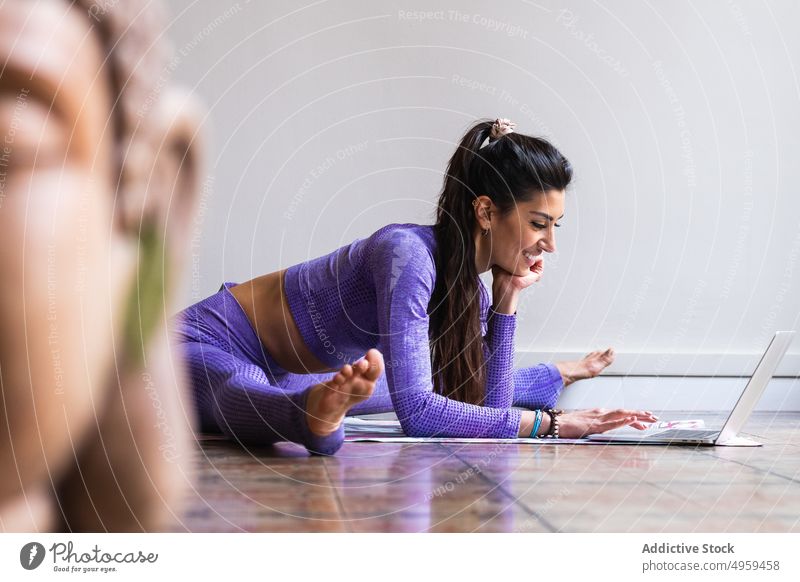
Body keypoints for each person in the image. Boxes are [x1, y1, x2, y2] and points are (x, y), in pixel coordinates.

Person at [171, 117, 658, 456]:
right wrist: (548, 424)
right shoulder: (408, 255)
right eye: (538, 224)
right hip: (204, 343)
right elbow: (420, 416)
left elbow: (479, 406)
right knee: (238, 390)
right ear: (486, 212)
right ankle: (314, 418)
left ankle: (556, 374)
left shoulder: (472, 286)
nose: (549, 244)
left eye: (557, 226)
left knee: (421, 384)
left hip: (295, 375)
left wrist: (506, 304)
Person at [0, 0, 203, 531]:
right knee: (276, 405)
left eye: (9, 143)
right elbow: (415, 405)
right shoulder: (407, 256)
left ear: (154, 204)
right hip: (217, 347)